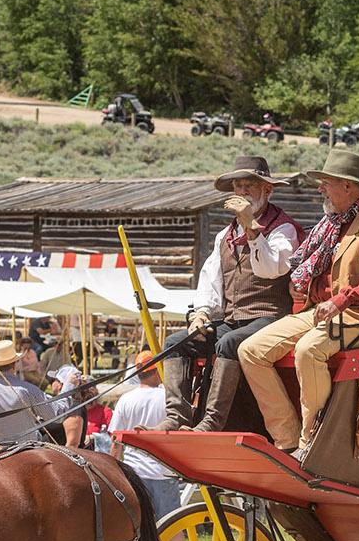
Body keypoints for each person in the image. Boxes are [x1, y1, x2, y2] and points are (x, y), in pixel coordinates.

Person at [239, 150, 359, 456]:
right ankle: (285, 437)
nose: (320, 189)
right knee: (250, 350)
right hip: (324, 310)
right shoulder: (334, 221)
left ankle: (311, 440)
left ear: (348, 186)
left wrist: (341, 301)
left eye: (325, 182)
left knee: (308, 350)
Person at [162, 155, 303, 431]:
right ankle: (176, 416)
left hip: (272, 318)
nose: (243, 192)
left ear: (267, 190)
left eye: (250, 186)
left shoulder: (283, 229)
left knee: (230, 343)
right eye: (238, 187)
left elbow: (270, 268)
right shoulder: (223, 236)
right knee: (176, 342)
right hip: (232, 319)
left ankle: (212, 422)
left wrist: (251, 227)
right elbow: (211, 279)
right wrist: (201, 312)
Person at [110, 351, 182, 518]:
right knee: (171, 527)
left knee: (140, 529)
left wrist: (114, 474)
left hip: (136, 474)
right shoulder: (168, 398)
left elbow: (116, 441)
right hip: (164, 471)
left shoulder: (125, 400)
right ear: (157, 370)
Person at [0, 340, 48, 442]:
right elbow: (54, 414)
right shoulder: (27, 390)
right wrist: (68, 388)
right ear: (14, 365)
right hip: (25, 450)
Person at [49, 364, 87, 448]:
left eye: (54, 380)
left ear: (61, 384)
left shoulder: (74, 408)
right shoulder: (59, 404)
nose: (52, 382)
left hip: (57, 459)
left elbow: (72, 445)